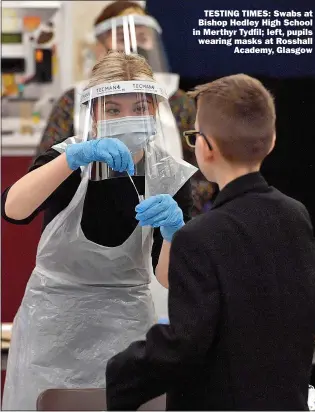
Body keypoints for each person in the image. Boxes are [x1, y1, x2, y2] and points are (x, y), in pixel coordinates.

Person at [105, 74, 315, 410]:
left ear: (205, 147)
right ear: (272, 139)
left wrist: (119, 372)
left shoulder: (200, 236)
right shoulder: (296, 215)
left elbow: (183, 345)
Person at [1, 51, 196, 410]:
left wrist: (174, 233)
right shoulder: (68, 159)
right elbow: (13, 210)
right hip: (52, 328)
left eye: (139, 107)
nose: (128, 118)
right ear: (93, 115)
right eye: (113, 110)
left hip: (127, 328)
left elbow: (170, 277)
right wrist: (73, 158)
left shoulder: (170, 175)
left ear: (154, 111)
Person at [35, 0, 216, 217]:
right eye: (122, 37)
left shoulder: (176, 101)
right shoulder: (73, 101)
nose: (134, 45)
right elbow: (42, 174)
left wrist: (180, 207)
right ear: (99, 47)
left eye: (143, 37)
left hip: (166, 228)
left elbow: (204, 168)